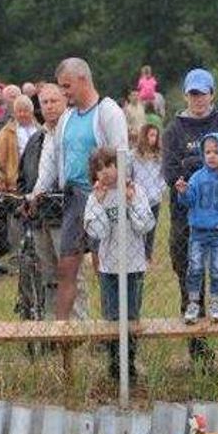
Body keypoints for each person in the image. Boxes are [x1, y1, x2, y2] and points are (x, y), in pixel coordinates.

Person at [163, 68, 218, 363]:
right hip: (185, 222)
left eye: (203, 93)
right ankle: (200, 356)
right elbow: (171, 174)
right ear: (185, 95)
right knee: (192, 287)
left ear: (212, 94)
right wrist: (209, 165)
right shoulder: (173, 131)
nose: (198, 99)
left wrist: (192, 165)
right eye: (193, 93)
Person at [32, 56, 129, 320]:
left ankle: (113, 327)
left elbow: (122, 156)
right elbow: (53, 158)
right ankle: (63, 333)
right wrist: (38, 191)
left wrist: (114, 189)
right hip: (74, 200)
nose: (64, 93)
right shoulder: (67, 118)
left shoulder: (108, 112)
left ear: (83, 79)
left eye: (67, 86)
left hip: (102, 198)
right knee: (66, 268)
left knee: (103, 267)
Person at [83, 147, 156, 381]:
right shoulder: (95, 197)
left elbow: (145, 225)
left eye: (109, 165)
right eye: (99, 169)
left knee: (131, 316)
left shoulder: (136, 190)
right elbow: (98, 232)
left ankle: (129, 363)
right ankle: (115, 365)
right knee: (112, 317)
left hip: (134, 267)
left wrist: (132, 201)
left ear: (120, 165)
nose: (105, 172)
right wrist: (98, 203)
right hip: (109, 268)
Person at [175, 133, 218, 323]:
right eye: (207, 152)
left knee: (217, 269)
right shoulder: (197, 177)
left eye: (216, 152)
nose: (211, 156)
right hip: (198, 233)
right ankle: (193, 303)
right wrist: (184, 192)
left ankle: (215, 302)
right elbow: (189, 201)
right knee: (195, 268)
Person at [17, 83, 70, 321]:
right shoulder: (35, 140)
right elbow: (23, 178)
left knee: (70, 276)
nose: (49, 106)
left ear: (65, 102)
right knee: (47, 278)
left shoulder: (72, 134)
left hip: (65, 217)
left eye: (54, 101)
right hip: (39, 219)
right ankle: (52, 325)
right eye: (45, 102)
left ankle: (78, 328)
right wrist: (25, 200)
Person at [0, 95, 41, 192]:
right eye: (19, 111)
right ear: (14, 113)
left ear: (31, 112)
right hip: (14, 185)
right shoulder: (6, 133)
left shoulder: (40, 130)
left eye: (25, 111)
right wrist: (0, 180)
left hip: (37, 182)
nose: (22, 114)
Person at [131, 122, 165, 262]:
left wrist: (159, 190)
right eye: (151, 135)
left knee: (151, 227)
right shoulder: (133, 156)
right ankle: (135, 253)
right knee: (137, 226)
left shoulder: (159, 157)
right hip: (137, 198)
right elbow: (130, 174)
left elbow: (162, 177)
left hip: (154, 197)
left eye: (156, 136)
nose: (153, 139)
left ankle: (147, 255)